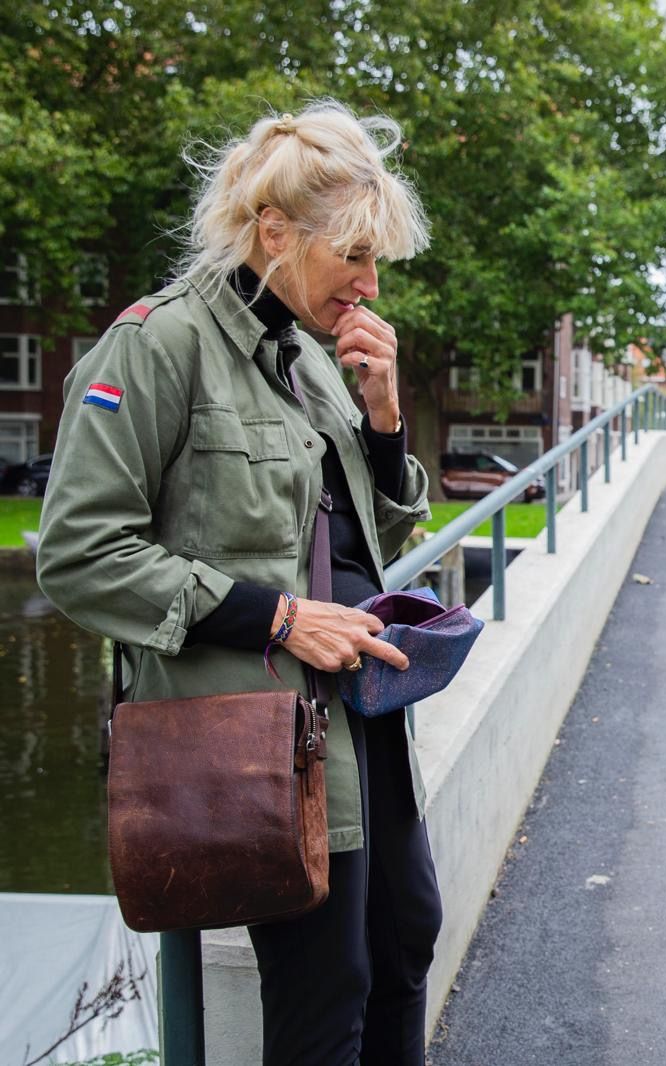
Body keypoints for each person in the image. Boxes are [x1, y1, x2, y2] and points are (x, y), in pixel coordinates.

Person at [37, 101, 440, 1065]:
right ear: (274, 233)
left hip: (364, 721)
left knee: (402, 944)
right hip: (262, 745)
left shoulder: (311, 360)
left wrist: (384, 423)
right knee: (322, 995)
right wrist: (283, 618)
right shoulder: (156, 344)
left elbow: (365, 537)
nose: (370, 284)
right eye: (352, 255)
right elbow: (81, 554)